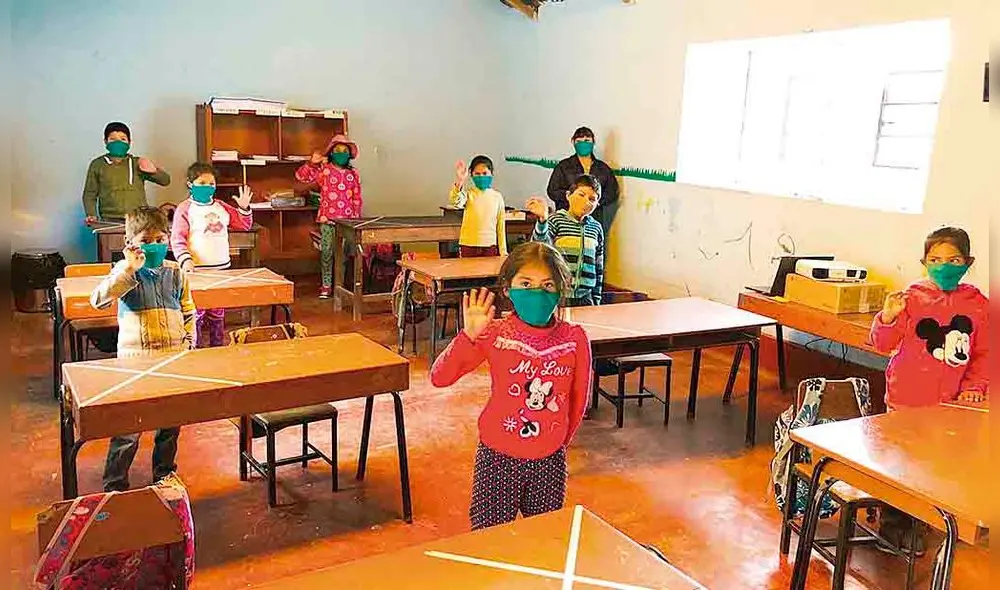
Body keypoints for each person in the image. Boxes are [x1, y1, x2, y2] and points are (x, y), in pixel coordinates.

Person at [429, 242, 592, 530]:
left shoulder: (574, 338)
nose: (537, 293)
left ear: (560, 290)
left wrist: (555, 443)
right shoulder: (494, 333)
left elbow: (578, 400)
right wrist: (468, 336)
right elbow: (440, 377)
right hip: (498, 459)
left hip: (549, 462)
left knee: (542, 538)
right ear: (508, 289)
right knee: (489, 539)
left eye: (548, 285)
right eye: (526, 284)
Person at [868, 225, 988, 555]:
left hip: (948, 403)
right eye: (935, 259)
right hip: (905, 396)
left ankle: (923, 519)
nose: (944, 265)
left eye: (953, 259)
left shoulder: (978, 305)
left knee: (934, 463)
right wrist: (887, 317)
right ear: (924, 262)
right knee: (900, 462)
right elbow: (881, 343)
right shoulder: (910, 298)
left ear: (968, 262)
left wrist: (974, 386)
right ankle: (894, 525)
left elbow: (986, 353)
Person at [90, 207, 196, 491]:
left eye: (161, 239)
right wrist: (128, 268)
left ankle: (164, 474)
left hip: (173, 358)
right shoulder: (124, 272)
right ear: (130, 243)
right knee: (128, 429)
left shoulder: (174, 273)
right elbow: (98, 299)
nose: (155, 246)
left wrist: (189, 343)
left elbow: (188, 309)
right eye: (147, 240)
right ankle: (115, 483)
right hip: (134, 363)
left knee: (170, 424)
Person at [171, 163, 253, 347]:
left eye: (211, 182)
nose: (207, 186)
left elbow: (244, 225)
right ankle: (196, 349)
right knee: (196, 313)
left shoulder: (221, 206)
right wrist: (185, 260)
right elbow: (177, 238)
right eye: (202, 182)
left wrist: (244, 208)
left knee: (217, 312)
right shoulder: (185, 209)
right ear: (190, 184)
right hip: (196, 272)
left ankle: (217, 347)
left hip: (221, 270)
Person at [295, 134, 365, 298]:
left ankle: (340, 285)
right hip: (328, 220)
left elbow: (356, 198)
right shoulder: (324, 171)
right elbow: (302, 177)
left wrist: (356, 220)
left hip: (348, 222)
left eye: (345, 150)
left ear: (349, 154)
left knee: (344, 255)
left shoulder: (353, 174)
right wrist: (312, 163)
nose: (341, 153)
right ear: (332, 152)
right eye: (338, 150)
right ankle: (326, 285)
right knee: (327, 252)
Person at [527, 174, 604, 307]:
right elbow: (539, 247)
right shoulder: (556, 220)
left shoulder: (596, 228)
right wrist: (543, 221)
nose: (586, 202)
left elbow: (599, 265)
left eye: (592, 199)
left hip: (586, 296)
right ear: (568, 195)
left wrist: (596, 297)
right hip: (558, 294)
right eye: (581, 195)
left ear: (597, 204)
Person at [82, 121, 171, 225]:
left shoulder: (137, 163)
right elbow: (89, 194)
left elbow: (165, 181)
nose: (118, 142)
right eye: (113, 139)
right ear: (105, 141)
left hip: (139, 219)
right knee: (111, 242)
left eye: (123, 139)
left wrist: (154, 171)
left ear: (129, 142)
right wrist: (91, 214)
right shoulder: (98, 164)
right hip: (109, 220)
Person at [545, 127, 619, 237]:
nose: (583, 144)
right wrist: (572, 198)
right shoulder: (564, 166)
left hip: (594, 219)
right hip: (566, 219)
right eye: (579, 141)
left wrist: (596, 201)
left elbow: (612, 191)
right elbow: (552, 190)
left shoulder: (603, 168)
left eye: (587, 141)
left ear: (593, 142)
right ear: (573, 142)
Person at [449, 155, 507, 257]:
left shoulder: (497, 197)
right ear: (472, 175)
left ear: (491, 174)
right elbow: (456, 201)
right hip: (468, 245)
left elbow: (501, 226)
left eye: (485, 173)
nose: (481, 176)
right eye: (477, 174)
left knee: (488, 272)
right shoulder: (468, 194)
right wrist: (460, 180)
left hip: (490, 245)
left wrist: (503, 250)